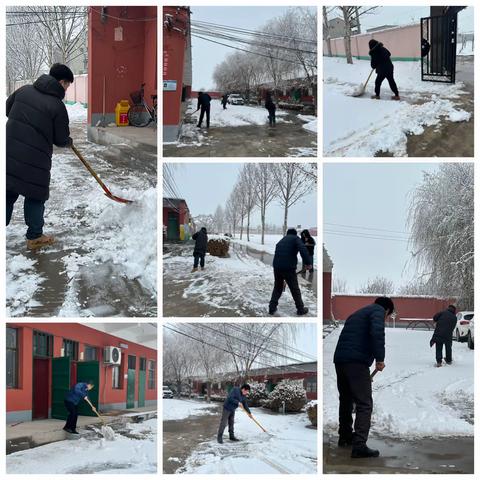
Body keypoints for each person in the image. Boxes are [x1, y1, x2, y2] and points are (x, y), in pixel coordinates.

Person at [6, 63, 74, 250]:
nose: (67, 89)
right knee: (35, 195)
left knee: (7, 193)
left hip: (9, 152)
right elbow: (60, 139)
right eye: (67, 85)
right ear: (61, 82)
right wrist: (68, 141)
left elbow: (7, 109)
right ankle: (35, 236)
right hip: (35, 160)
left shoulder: (24, 91)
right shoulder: (57, 106)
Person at [333, 297, 394, 458]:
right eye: (387, 316)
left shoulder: (357, 313)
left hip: (340, 360)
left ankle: (345, 436)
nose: (386, 318)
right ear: (387, 310)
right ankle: (359, 445)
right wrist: (380, 359)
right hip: (356, 362)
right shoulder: (378, 312)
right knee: (364, 403)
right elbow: (377, 333)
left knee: (346, 400)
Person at [269, 228, 312, 316]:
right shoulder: (296, 239)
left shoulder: (282, 240)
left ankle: (271, 308)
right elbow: (303, 249)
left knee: (277, 287)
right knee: (294, 289)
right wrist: (308, 263)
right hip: (288, 268)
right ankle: (300, 309)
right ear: (295, 234)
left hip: (277, 267)